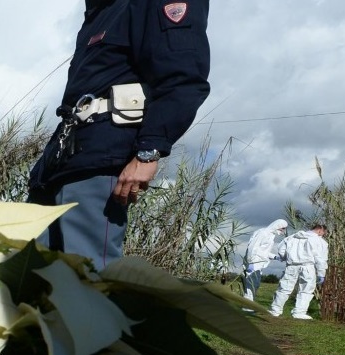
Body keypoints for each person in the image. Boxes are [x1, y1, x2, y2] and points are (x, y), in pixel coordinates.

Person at [27, 0, 211, 271]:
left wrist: (149, 151)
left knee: (86, 280)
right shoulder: (101, 13)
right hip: (60, 161)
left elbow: (182, 79)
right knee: (34, 276)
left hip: (101, 160)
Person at [269, 224, 329, 320]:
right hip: (308, 267)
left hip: (291, 266)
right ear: (320, 230)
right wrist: (321, 273)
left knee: (284, 288)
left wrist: (286, 257)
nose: (322, 235)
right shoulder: (319, 241)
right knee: (306, 290)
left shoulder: (291, 238)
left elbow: (281, 250)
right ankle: (299, 312)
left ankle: (275, 310)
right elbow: (321, 259)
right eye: (323, 233)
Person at [242, 218, 288, 301]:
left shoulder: (271, 236)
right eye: (283, 228)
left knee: (255, 284)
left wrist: (275, 257)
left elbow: (264, 251)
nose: (283, 231)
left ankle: (249, 304)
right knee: (251, 284)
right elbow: (252, 247)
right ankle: (247, 306)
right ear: (278, 226)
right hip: (254, 262)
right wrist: (251, 262)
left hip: (260, 263)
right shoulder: (262, 233)